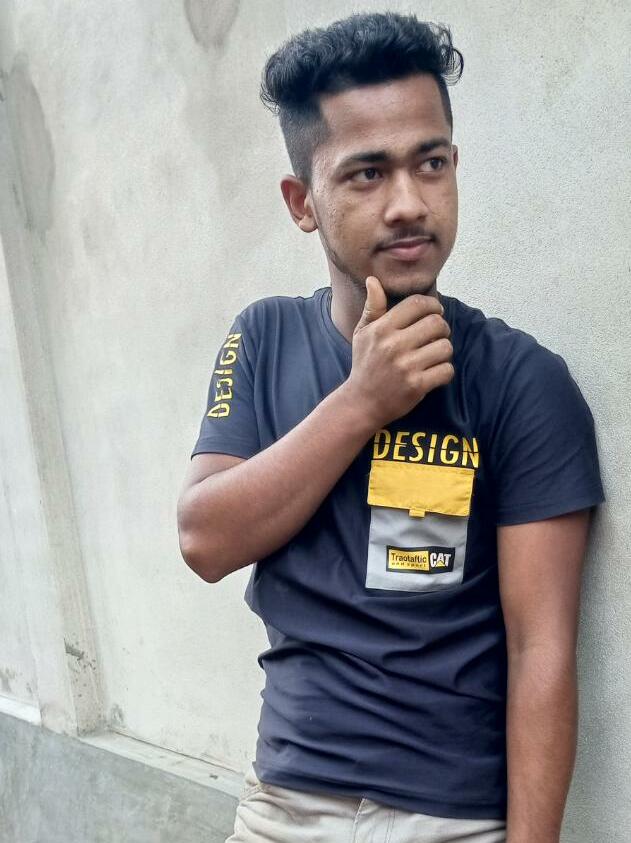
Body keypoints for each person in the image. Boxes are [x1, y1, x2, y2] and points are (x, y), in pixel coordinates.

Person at [177, 11, 604, 843]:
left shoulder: (521, 381)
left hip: (449, 818)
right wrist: (361, 401)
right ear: (303, 202)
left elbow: (541, 651)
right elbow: (205, 538)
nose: (408, 204)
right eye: (367, 174)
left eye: (429, 163)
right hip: (282, 806)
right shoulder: (263, 338)